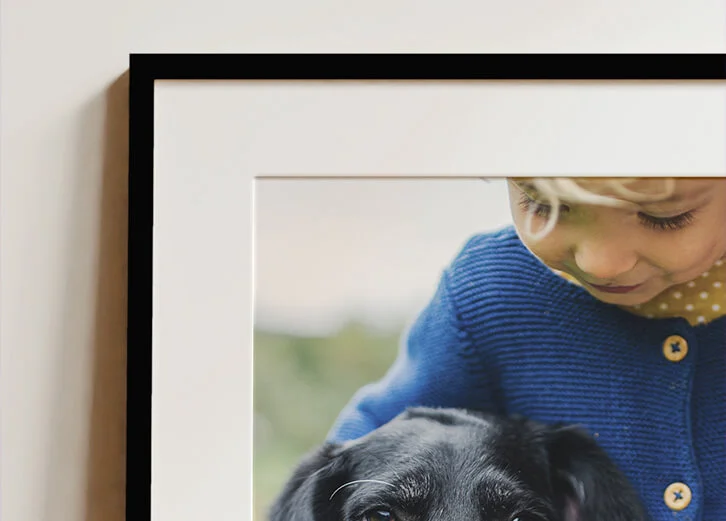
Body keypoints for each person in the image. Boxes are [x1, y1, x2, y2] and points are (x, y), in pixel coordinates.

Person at [325, 177, 725, 521]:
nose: (601, 262)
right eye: (546, 206)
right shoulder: (492, 293)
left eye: (663, 217)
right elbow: (369, 447)